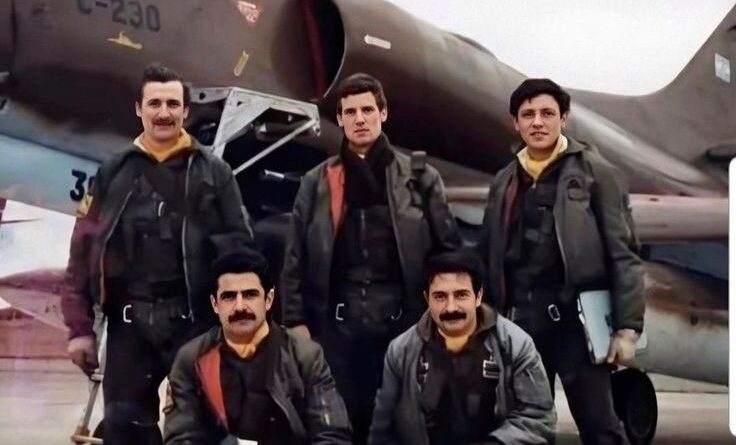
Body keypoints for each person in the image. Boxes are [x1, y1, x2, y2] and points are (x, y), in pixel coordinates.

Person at [61, 64, 254, 445]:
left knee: (205, 432)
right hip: (129, 329)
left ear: (186, 111)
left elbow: (242, 253)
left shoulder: (215, 174)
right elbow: (81, 255)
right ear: (139, 109)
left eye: (172, 104)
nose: (163, 113)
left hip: (196, 326)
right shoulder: (112, 173)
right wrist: (79, 330)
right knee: (124, 429)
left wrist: (240, 324)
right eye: (154, 104)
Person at [280, 73, 461, 443]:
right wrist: (296, 323)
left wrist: (445, 317)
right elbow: (294, 257)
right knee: (339, 425)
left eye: (367, 110)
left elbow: (449, 254)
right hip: (337, 329)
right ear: (340, 119)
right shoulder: (317, 182)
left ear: (383, 113)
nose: (359, 119)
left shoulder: (420, 178)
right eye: (350, 112)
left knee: (403, 425)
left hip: (402, 326)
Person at [478, 78, 645, 444]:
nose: (538, 122)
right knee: (525, 430)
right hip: (521, 326)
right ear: (516, 123)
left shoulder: (597, 174)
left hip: (576, 328)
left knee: (600, 427)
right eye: (528, 115)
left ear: (564, 119)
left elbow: (624, 255)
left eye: (547, 113)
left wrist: (627, 328)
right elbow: (488, 254)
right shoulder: (504, 182)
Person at [164, 247, 351, 445]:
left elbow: (332, 436)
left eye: (250, 295)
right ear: (215, 304)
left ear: (268, 299)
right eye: (229, 297)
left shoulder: (304, 356)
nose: (240, 307)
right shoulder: (192, 360)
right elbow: (180, 438)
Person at [369, 250, 555, 445]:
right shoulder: (401, 351)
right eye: (440, 296)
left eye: (461, 295)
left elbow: (538, 418)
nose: (451, 308)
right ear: (427, 299)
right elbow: (383, 428)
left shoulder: (516, 344)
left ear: (478, 296)